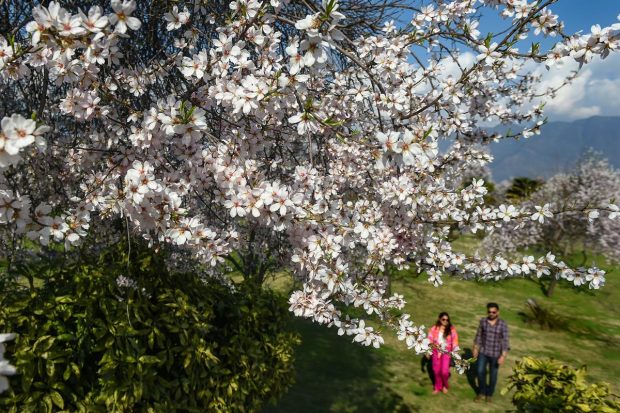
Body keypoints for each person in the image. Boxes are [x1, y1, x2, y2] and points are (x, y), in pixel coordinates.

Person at [473, 302, 510, 403]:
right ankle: (481, 392)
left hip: (495, 354)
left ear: (498, 312)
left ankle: (489, 394)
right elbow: (479, 335)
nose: (491, 314)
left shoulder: (503, 324)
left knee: (493, 375)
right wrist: (475, 348)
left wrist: (503, 356)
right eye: (489, 312)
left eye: (493, 312)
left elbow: (505, 341)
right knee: (480, 372)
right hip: (483, 352)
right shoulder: (483, 321)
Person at [427, 312, 459, 394]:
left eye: (447, 320)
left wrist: (455, 351)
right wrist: (428, 351)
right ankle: (437, 387)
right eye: (443, 319)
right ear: (439, 319)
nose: (445, 321)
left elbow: (455, 341)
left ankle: (445, 385)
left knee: (444, 372)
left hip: (446, 352)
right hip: (436, 351)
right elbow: (429, 339)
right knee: (436, 370)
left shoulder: (451, 329)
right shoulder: (434, 328)